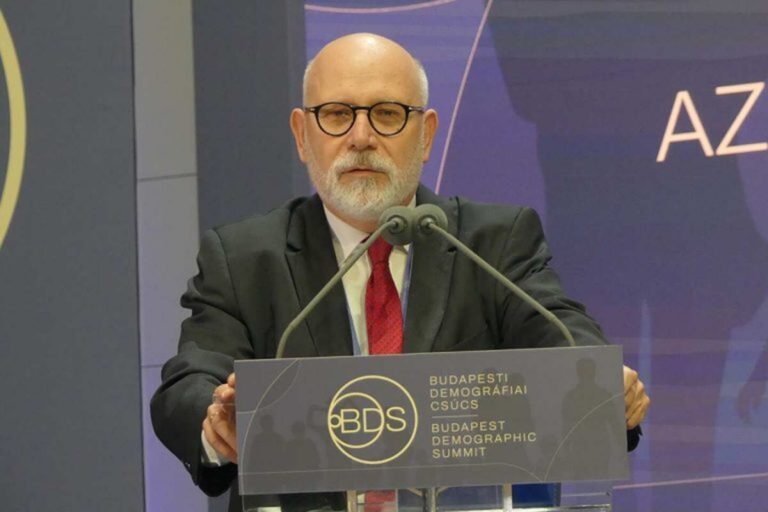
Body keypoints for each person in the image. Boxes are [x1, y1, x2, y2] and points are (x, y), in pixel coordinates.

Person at [151, 33, 650, 512]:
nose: (361, 138)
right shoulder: (244, 258)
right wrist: (215, 419)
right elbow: (188, 381)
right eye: (337, 115)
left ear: (426, 135)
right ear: (302, 135)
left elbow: (563, 336)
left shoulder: (493, 244)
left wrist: (603, 383)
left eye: (387, 114)